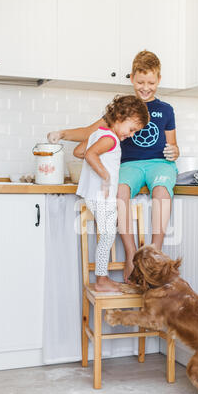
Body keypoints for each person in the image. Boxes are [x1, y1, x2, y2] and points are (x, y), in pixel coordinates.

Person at [48, 50, 179, 282]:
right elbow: (90, 133)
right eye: (140, 82)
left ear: (159, 80)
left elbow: (174, 145)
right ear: (131, 78)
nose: (145, 87)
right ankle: (131, 254)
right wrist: (63, 133)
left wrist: (175, 151)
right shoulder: (122, 111)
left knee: (161, 191)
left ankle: (155, 254)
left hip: (160, 164)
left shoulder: (167, 110)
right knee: (120, 191)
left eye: (151, 82)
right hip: (129, 164)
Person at [75, 95, 149, 292]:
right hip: (102, 195)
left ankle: (102, 277)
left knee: (108, 232)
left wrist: (96, 158)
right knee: (108, 236)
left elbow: (79, 151)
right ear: (119, 116)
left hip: (93, 194)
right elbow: (90, 154)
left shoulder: (98, 134)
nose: (132, 135)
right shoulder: (110, 139)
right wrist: (105, 175)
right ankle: (101, 279)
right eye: (132, 129)